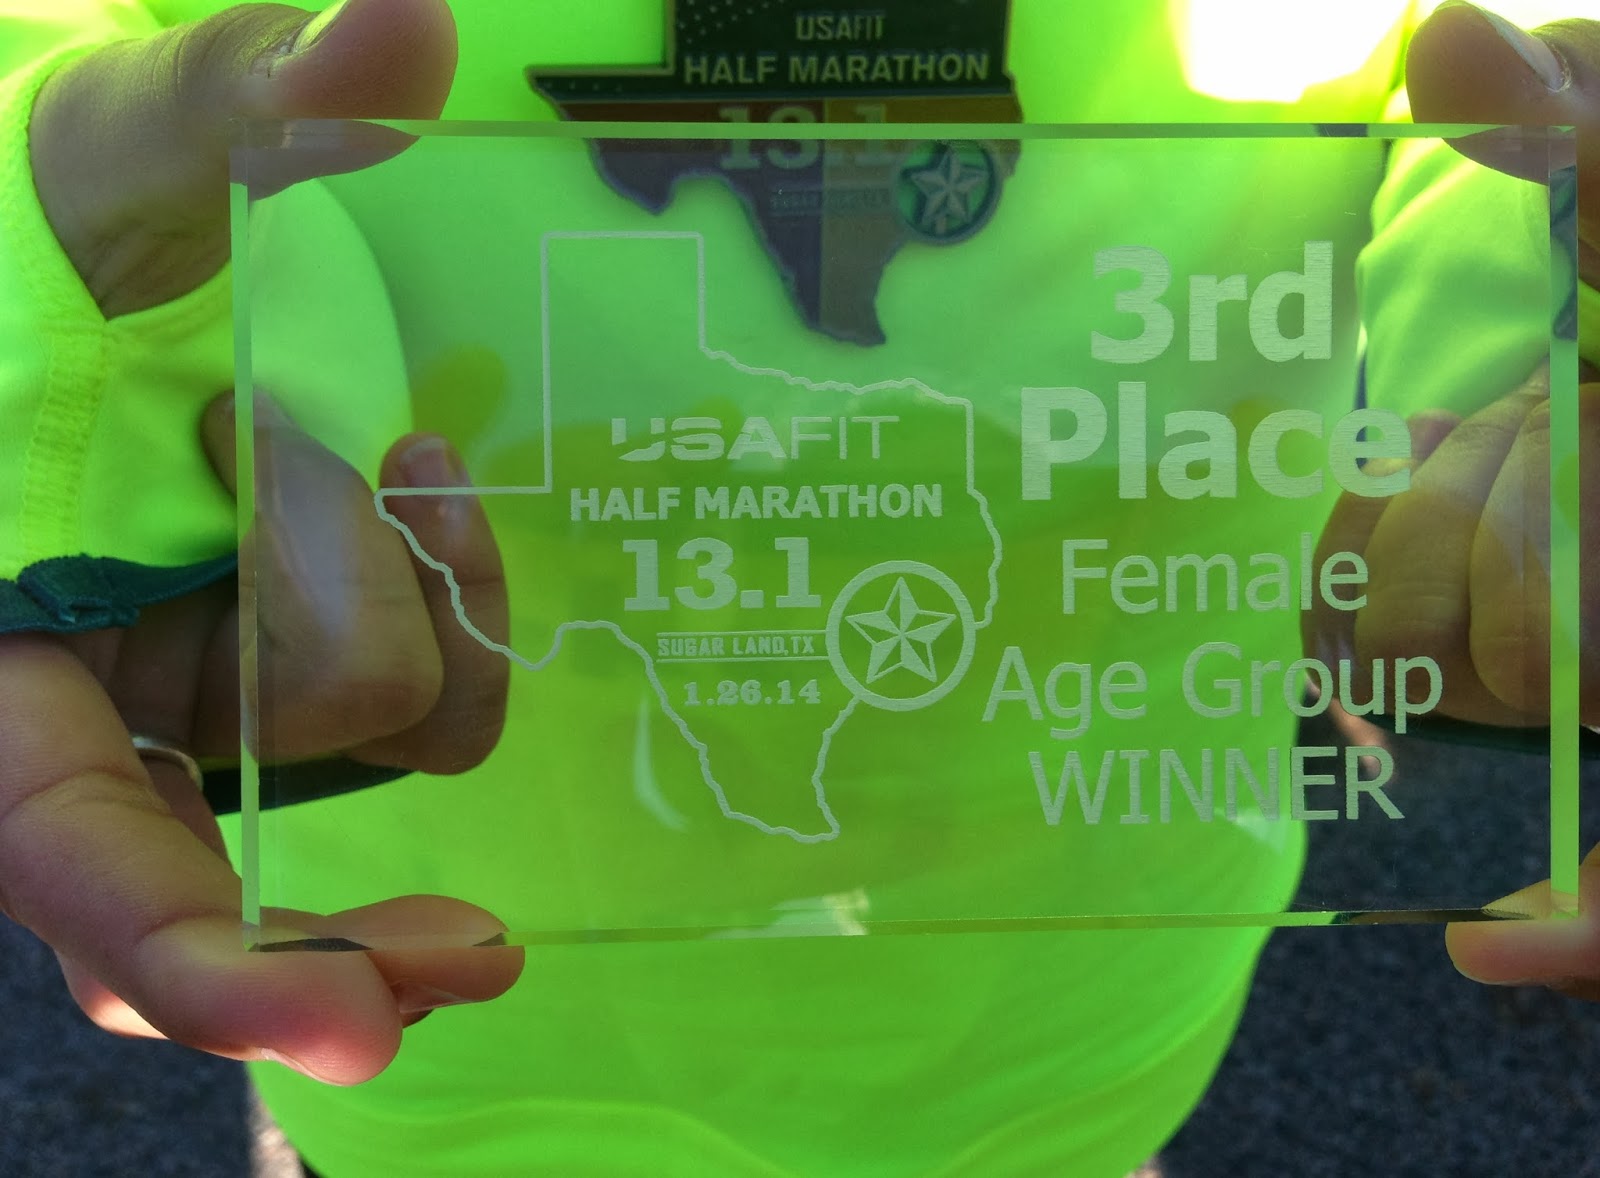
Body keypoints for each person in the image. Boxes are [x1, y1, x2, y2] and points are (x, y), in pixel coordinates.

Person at [0, 1, 1596, 1174]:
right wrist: (56, 420)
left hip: (1075, 979)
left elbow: (1501, 78)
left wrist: (1534, 373)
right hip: (448, 992)